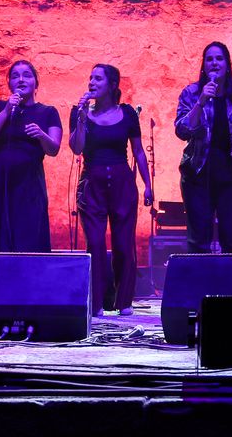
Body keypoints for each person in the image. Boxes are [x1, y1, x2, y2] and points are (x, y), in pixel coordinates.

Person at [69, 64, 152, 316]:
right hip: (92, 185)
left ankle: (124, 301)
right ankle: (95, 303)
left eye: (98, 78)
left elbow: (138, 151)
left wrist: (148, 185)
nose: (91, 82)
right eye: (90, 78)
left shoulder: (127, 113)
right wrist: (81, 117)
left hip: (122, 183)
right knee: (94, 243)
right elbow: (76, 148)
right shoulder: (80, 111)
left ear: (112, 84)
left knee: (123, 244)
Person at [175, 42, 232, 254]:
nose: (214, 63)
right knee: (198, 240)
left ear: (227, 64)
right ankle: (200, 276)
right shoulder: (191, 93)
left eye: (219, 58)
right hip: (198, 174)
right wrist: (201, 101)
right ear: (203, 65)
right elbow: (182, 130)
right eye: (209, 59)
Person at [0, 60, 61, 252]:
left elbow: (54, 149)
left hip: (29, 184)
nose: (21, 79)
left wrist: (41, 135)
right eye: (15, 76)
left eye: (27, 75)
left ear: (36, 82)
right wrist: (6, 111)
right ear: (9, 83)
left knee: (27, 236)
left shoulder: (48, 112)